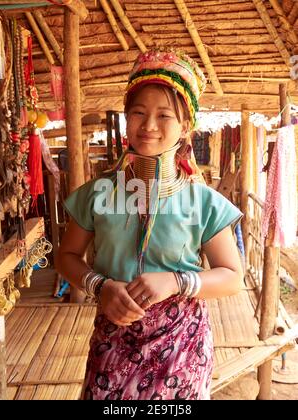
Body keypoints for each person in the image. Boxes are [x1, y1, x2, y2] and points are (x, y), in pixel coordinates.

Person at [56, 48, 244, 400]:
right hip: (114, 338)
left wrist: (175, 281)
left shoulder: (204, 203)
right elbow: (66, 256)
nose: (149, 126)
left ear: (186, 125)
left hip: (182, 349)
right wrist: (100, 287)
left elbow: (232, 276)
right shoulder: (96, 195)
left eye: (164, 116)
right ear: (126, 118)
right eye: (138, 113)